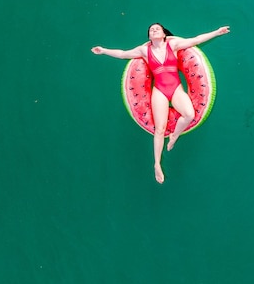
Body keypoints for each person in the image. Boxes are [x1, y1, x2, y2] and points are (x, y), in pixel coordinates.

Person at [92, 24, 230, 183]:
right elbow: (123, 54)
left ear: (164, 34)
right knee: (159, 129)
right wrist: (103, 51)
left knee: (189, 114)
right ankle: (157, 164)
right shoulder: (145, 51)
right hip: (159, 91)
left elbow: (196, 40)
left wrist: (218, 32)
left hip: (176, 89)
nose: (154, 30)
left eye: (157, 28)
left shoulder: (173, 44)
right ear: (149, 37)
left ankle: (175, 136)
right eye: (151, 30)